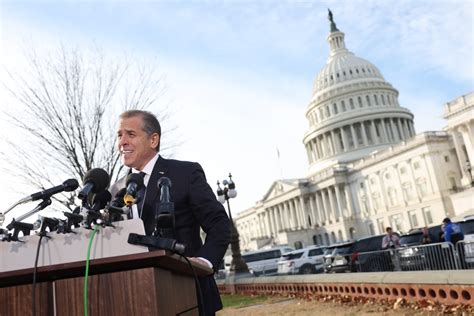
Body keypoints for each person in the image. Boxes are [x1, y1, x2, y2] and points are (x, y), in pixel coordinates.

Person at [110, 110, 231, 315]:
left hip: (188, 293)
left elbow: (219, 224)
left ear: (153, 139)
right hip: (134, 298)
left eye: (130, 134)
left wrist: (204, 262)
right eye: (119, 135)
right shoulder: (115, 190)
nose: (122, 142)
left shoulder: (185, 173)